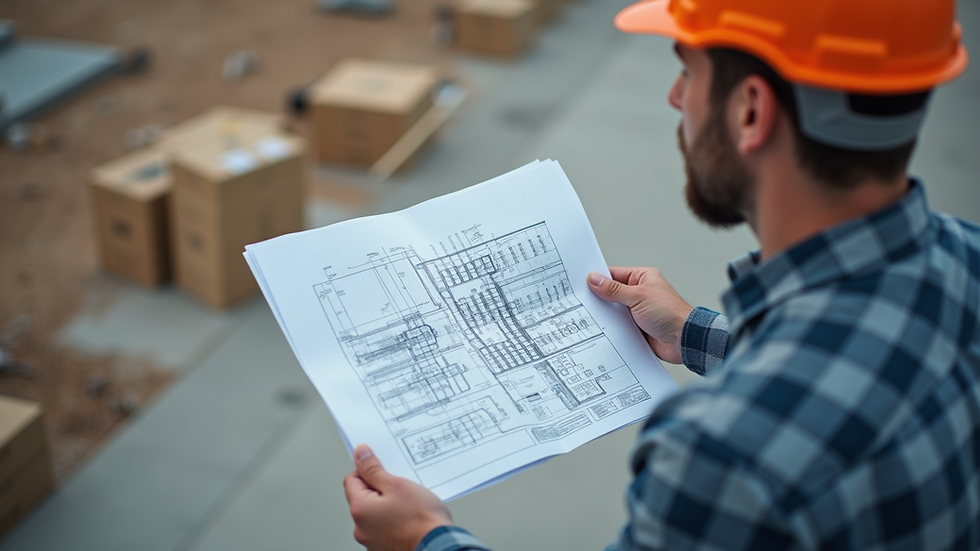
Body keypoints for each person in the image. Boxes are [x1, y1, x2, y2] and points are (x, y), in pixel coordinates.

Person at [343, 0, 979, 549]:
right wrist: (696, 334)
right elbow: (853, 376)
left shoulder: (724, 456)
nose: (676, 98)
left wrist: (423, 538)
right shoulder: (968, 257)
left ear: (751, 112)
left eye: (687, 71)